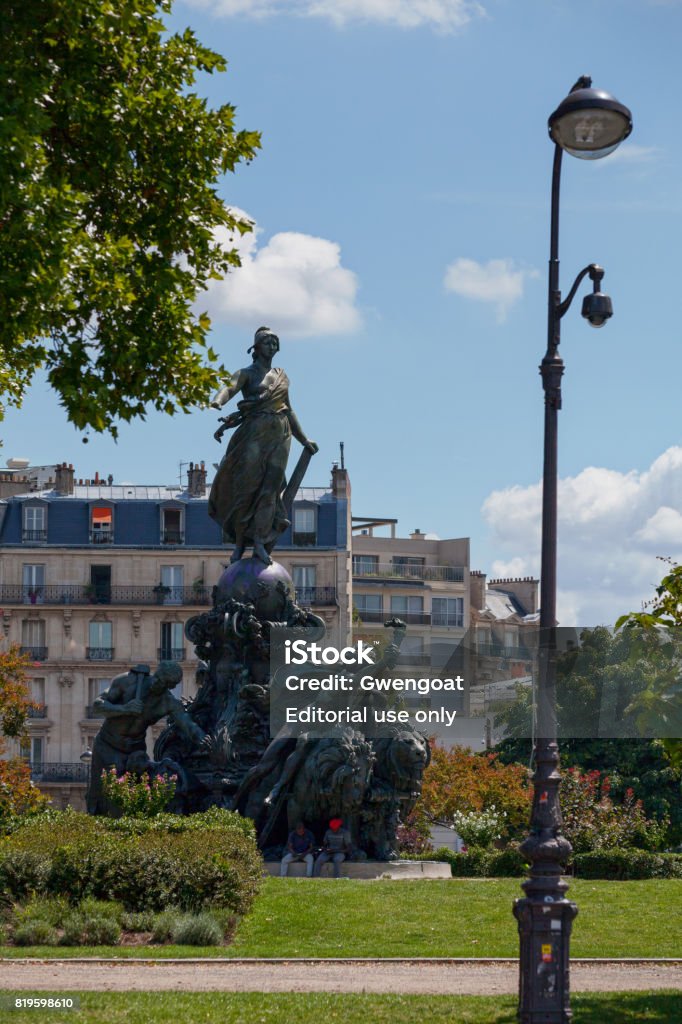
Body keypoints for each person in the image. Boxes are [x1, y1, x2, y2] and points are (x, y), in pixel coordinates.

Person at [209, 326, 318, 565]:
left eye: (275, 343)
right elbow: (229, 387)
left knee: (270, 490)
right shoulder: (246, 373)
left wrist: (304, 439)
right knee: (245, 491)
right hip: (253, 435)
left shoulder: (282, 376)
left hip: (280, 434)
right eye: (268, 342)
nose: (273, 347)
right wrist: (218, 401)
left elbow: (288, 409)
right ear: (256, 348)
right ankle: (239, 544)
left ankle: (259, 541)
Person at [86, 661, 207, 814]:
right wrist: (124, 709)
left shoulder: (167, 702)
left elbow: (188, 725)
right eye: (158, 679)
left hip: (135, 751)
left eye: (165, 684)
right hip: (108, 746)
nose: (157, 684)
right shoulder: (127, 681)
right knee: (106, 797)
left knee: (136, 797)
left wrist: (204, 739)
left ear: (170, 686)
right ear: (156, 674)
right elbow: (98, 705)